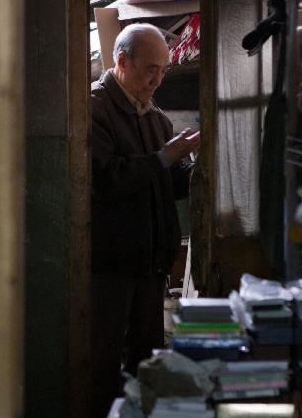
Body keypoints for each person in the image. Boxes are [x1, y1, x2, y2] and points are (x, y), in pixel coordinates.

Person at [90, 23, 200, 417]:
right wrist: (163, 158)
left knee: (147, 361)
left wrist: (199, 167)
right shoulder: (95, 108)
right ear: (122, 62)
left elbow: (167, 184)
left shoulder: (155, 117)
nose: (157, 79)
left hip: (151, 262)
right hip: (112, 264)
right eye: (149, 69)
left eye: (164, 69)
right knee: (104, 366)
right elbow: (104, 181)